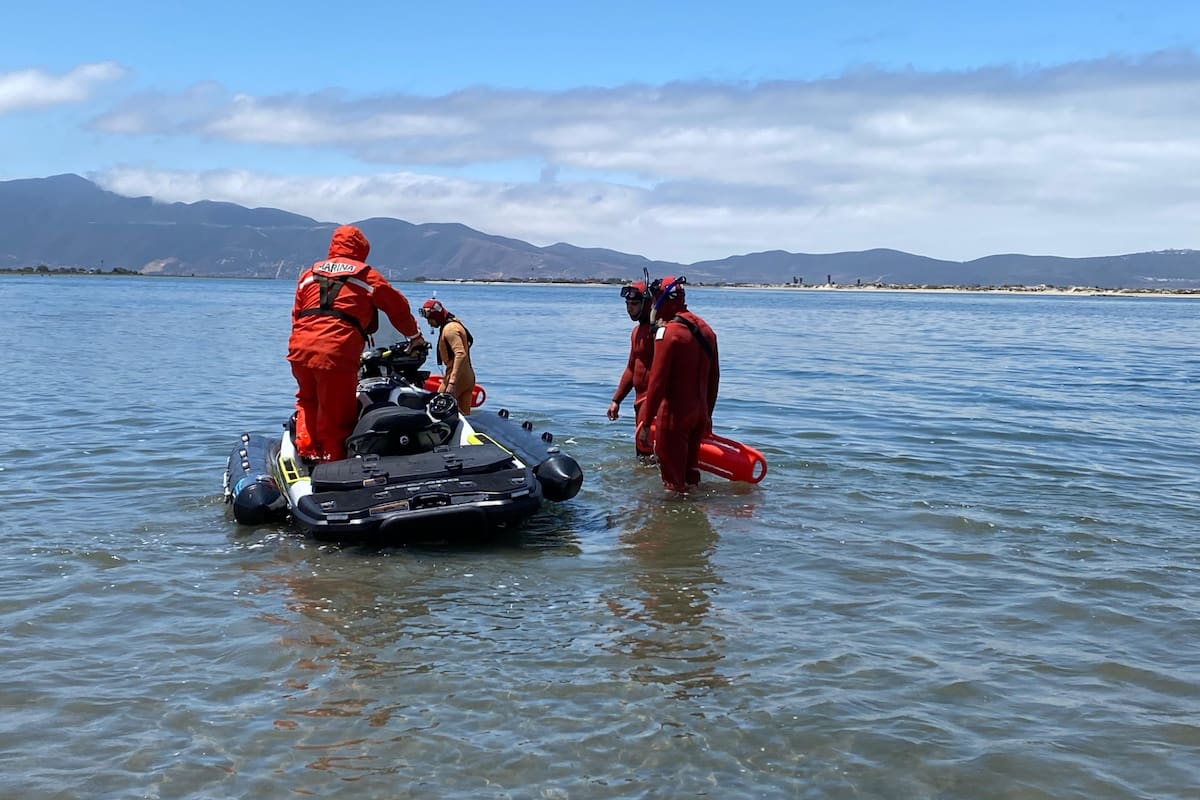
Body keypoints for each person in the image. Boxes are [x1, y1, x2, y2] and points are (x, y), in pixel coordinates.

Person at [287, 224, 427, 462]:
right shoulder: (366, 275)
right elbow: (398, 308)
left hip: (300, 348)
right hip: (335, 352)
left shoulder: (308, 275)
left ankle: (307, 455)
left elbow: (297, 313)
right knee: (337, 415)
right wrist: (414, 337)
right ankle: (332, 466)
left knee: (308, 401)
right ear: (361, 249)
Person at [637, 276, 720, 493]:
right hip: (699, 415)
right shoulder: (707, 331)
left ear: (664, 300)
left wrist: (646, 422)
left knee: (672, 484)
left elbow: (657, 382)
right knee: (691, 476)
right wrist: (707, 416)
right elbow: (714, 379)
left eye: (656, 299)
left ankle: (669, 523)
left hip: (674, 417)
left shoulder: (668, 333)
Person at [607, 280, 658, 463]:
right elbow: (631, 368)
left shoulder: (658, 332)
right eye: (627, 304)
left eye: (634, 304)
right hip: (639, 403)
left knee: (651, 456)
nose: (629, 309)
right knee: (643, 459)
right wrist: (616, 400)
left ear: (648, 303)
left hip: (653, 404)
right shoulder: (636, 332)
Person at [420, 298, 476, 415]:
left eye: (430, 319)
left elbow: (460, 354)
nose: (429, 323)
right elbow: (469, 341)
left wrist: (452, 384)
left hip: (456, 379)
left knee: (436, 413)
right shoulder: (456, 324)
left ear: (437, 316)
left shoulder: (450, 329)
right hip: (468, 376)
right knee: (464, 416)